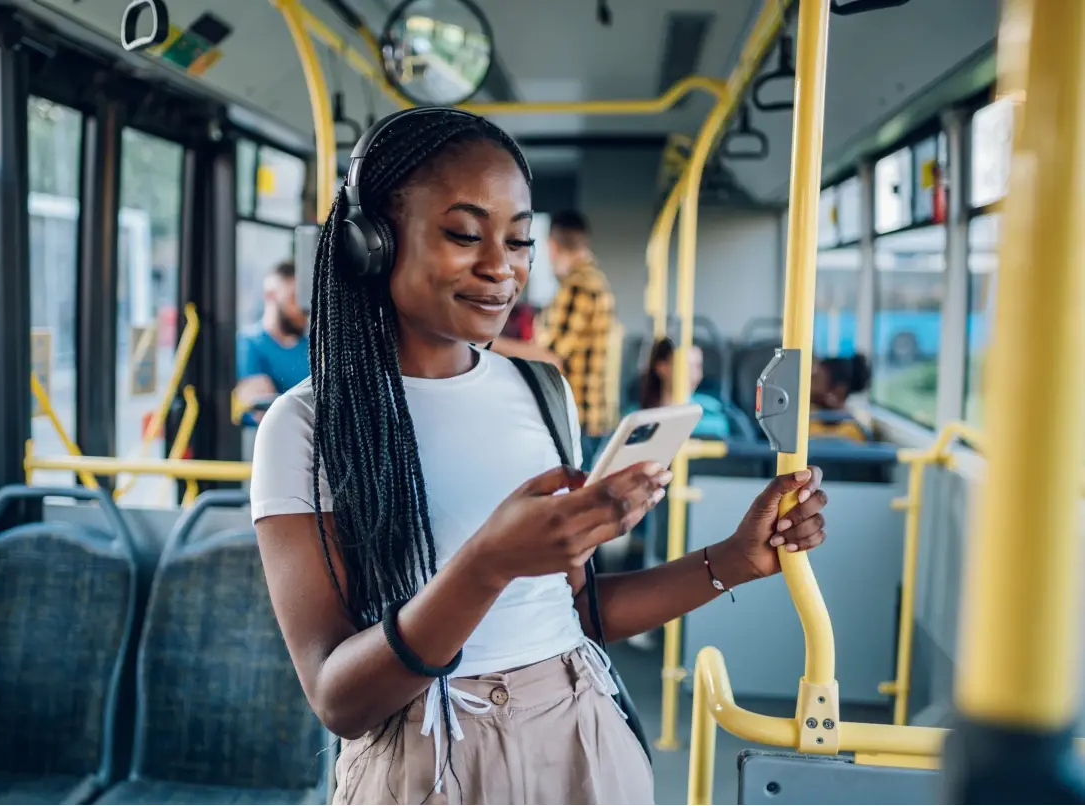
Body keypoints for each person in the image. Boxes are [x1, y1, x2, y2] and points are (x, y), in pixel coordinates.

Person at [250, 107, 832, 806]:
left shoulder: (541, 389)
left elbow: (577, 614)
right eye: (465, 234)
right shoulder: (306, 426)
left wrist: (734, 559)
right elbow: (338, 699)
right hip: (427, 754)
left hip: (580, 731)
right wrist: (487, 564)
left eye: (521, 240)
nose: (501, 267)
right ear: (372, 243)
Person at [235, 260, 311, 410]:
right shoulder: (248, 343)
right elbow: (263, 409)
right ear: (270, 295)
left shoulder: (312, 348)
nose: (303, 310)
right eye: (294, 299)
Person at [639, 338, 731, 439]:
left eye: (697, 367)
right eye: (687, 366)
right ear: (662, 367)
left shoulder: (712, 409)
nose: (695, 375)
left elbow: (721, 428)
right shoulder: (638, 417)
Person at [810, 353, 873, 442]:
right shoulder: (808, 413)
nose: (808, 385)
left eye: (815, 380)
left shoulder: (853, 432)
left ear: (838, 391)